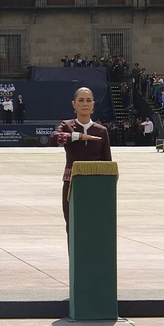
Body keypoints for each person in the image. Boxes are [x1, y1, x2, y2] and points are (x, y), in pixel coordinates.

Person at [49, 87, 112, 248]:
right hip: (72, 184)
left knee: (94, 225)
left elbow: (107, 163)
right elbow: (54, 139)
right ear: (74, 104)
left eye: (88, 100)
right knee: (72, 225)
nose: (85, 104)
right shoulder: (67, 126)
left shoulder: (101, 131)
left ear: (93, 105)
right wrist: (79, 136)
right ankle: (74, 261)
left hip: (95, 185)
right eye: (81, 100)